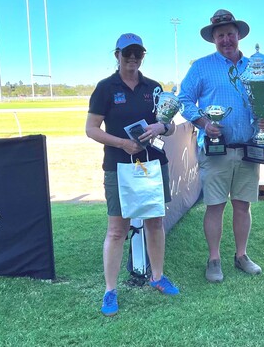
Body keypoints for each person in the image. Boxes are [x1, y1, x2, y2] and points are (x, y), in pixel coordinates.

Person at [86, 33, 179, 317]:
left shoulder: (153, 87)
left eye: (138, 53)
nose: (133, 58)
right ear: (117, 55)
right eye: (127, 53)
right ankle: (110, 290)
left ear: (143, 56)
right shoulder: (105, 88)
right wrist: (122, 143)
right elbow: (91, 129)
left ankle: (157, 276)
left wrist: (162, 128)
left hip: (152, 164)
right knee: (117, 230)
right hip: (118, 166)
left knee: (155, 222)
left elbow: (170, 126)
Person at [178, 9, 264, 283]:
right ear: (213, 39)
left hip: (248, 149)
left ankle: (241, 255)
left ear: (238, 35)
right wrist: (204, 122)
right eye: (220, 36)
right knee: (215, 205)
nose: (226, 40)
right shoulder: (201, 67)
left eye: (230, 34)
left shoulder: (255, 66)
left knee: (243, 205)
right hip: (216, 150)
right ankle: (214, 259)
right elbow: (183, 99)